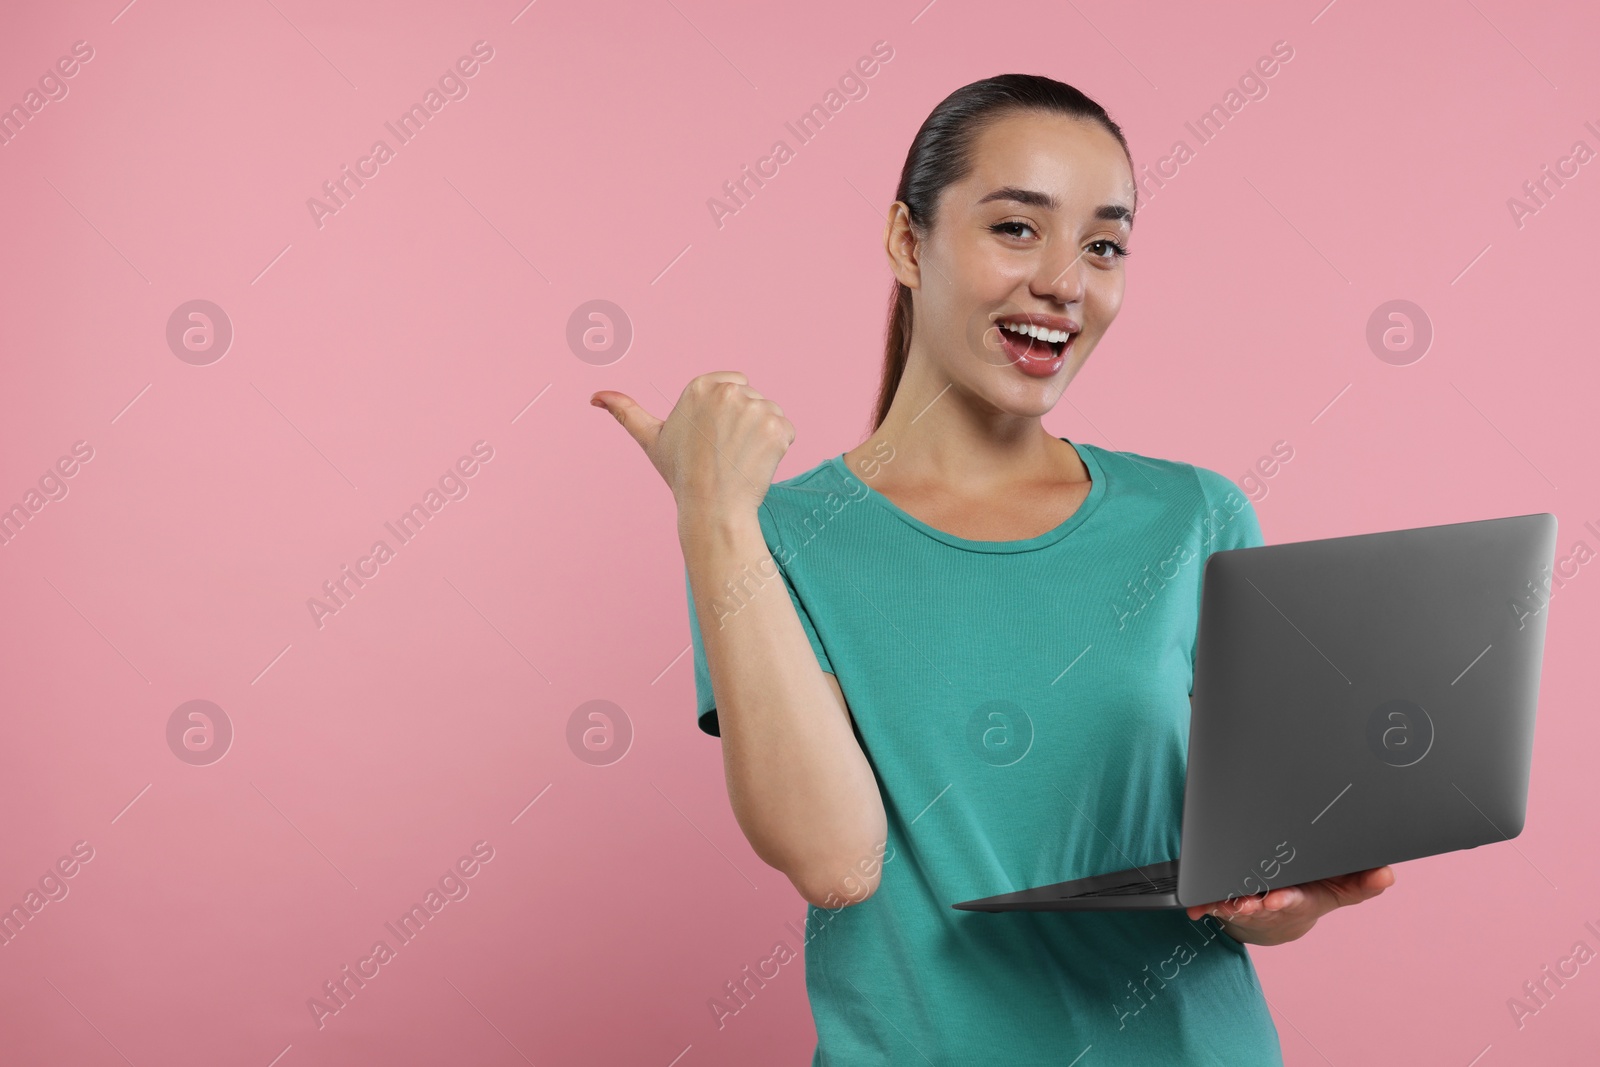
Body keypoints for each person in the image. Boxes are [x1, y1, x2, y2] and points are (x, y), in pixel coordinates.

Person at [592, 73, 1394, 1066]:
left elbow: (1247, 896)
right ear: (905, 239)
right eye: (1017, 228)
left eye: (1102, 245)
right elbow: (833, 858)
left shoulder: (1195, 516)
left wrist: (1289, 898)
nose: (1065, 281)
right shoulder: (776, 535)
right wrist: (711, 513)